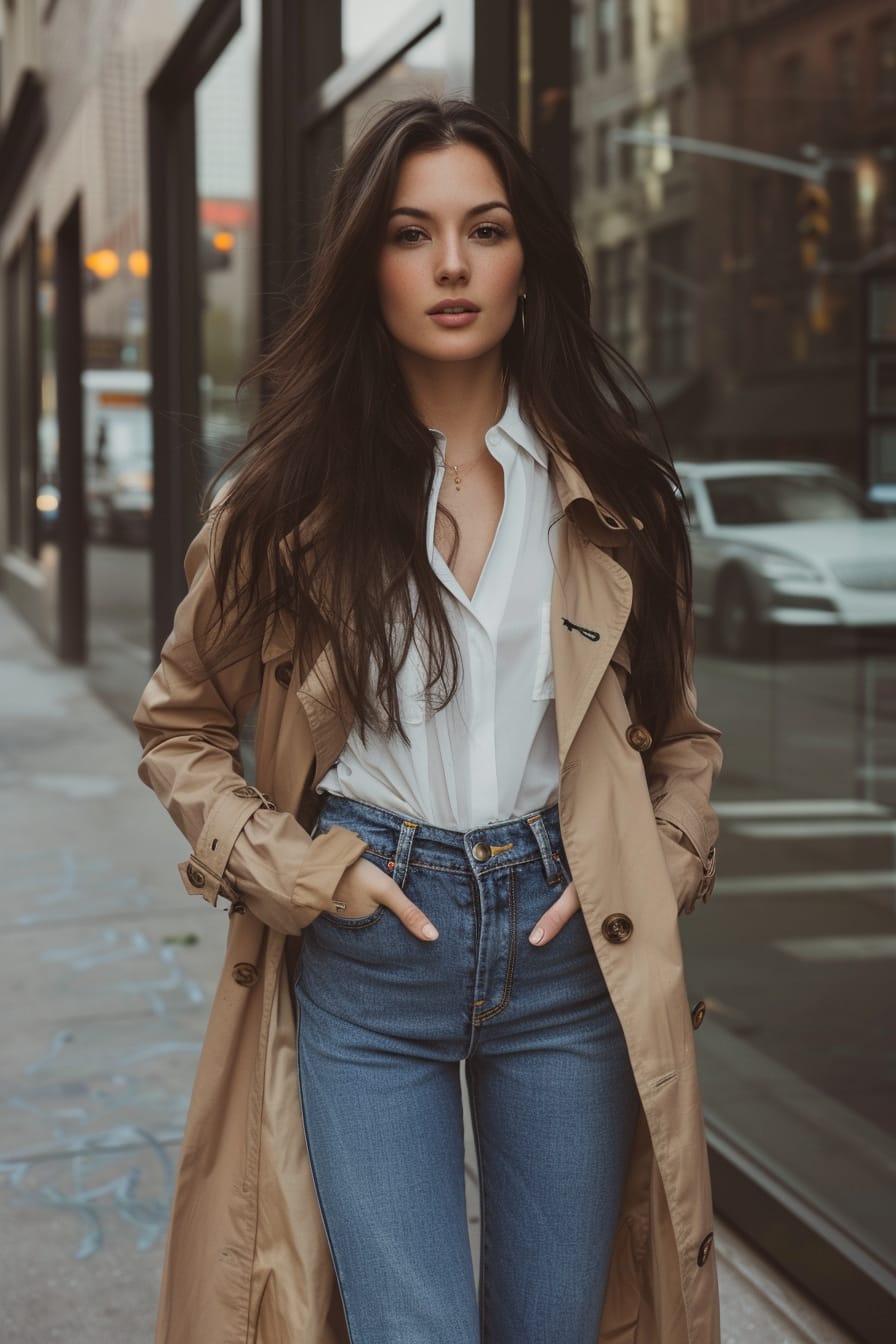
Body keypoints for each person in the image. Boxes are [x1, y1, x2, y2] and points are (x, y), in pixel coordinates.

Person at [134, 96, 722, 1344]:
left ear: (527, 262)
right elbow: (179, 727)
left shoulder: (611, 493)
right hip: (370, 944)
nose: (451, 265)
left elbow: (676, 742)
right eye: (411, 233)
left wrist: (659, 865)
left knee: (555, 1325)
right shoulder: (283, 498)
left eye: (484, 228)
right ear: (368, 267)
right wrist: (306, 873)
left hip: (567, 946)